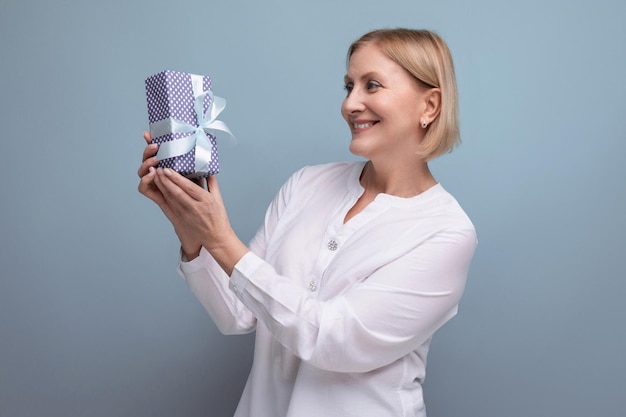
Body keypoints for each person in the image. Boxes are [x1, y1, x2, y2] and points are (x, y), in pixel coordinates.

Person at [138, 28, 477, 417]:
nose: (351, 103)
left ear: (430, 106)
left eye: (372, 85)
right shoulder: (306, 184)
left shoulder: (445, 232)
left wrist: (220, 237)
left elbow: (334, 340)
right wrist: (192, 229)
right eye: (348, 86)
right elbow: (238, 312)